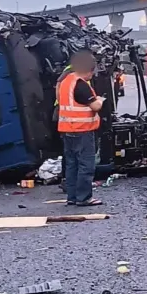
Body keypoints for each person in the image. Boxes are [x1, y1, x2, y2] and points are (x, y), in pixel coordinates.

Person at [56, 50, 105, 206]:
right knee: (86, 165)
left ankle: (72, 197)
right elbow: (95, 106)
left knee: (72, 165)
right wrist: (100, 100)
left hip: (67, 130)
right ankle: (84, 198)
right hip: (82, 130)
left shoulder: (65, 81)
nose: (92, 75)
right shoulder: (81, 85)